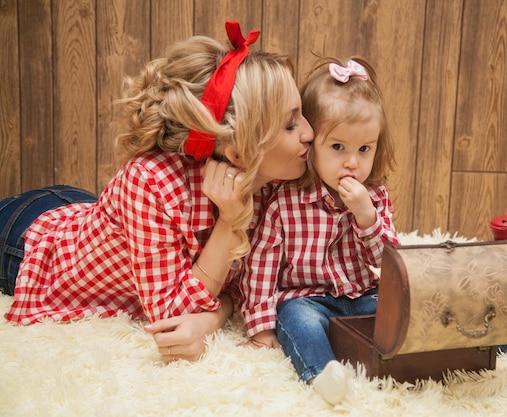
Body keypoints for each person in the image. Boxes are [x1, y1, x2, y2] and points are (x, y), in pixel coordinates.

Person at [0, 21, 314, 363]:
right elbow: (172, 314)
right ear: (239, 152)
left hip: (81, 207)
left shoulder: (271, 186)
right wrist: (229, 222)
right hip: (27, 244)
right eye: (290, 124)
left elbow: (249, 288)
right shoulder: (149, 182)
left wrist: (212, 318)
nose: (309, 133)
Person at [239, 57, 400, 404]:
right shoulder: (285, 202)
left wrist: (367, 218)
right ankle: (322, 372)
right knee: (299, 321)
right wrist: (261, 327)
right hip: (307, 299)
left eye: (364, 149)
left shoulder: (374, 197)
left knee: (400, 311)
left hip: (361, 296)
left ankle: (495, 347)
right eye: (338, 147)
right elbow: (261, 267)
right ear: (312, 148)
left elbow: (393, 265)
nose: (352, 162)